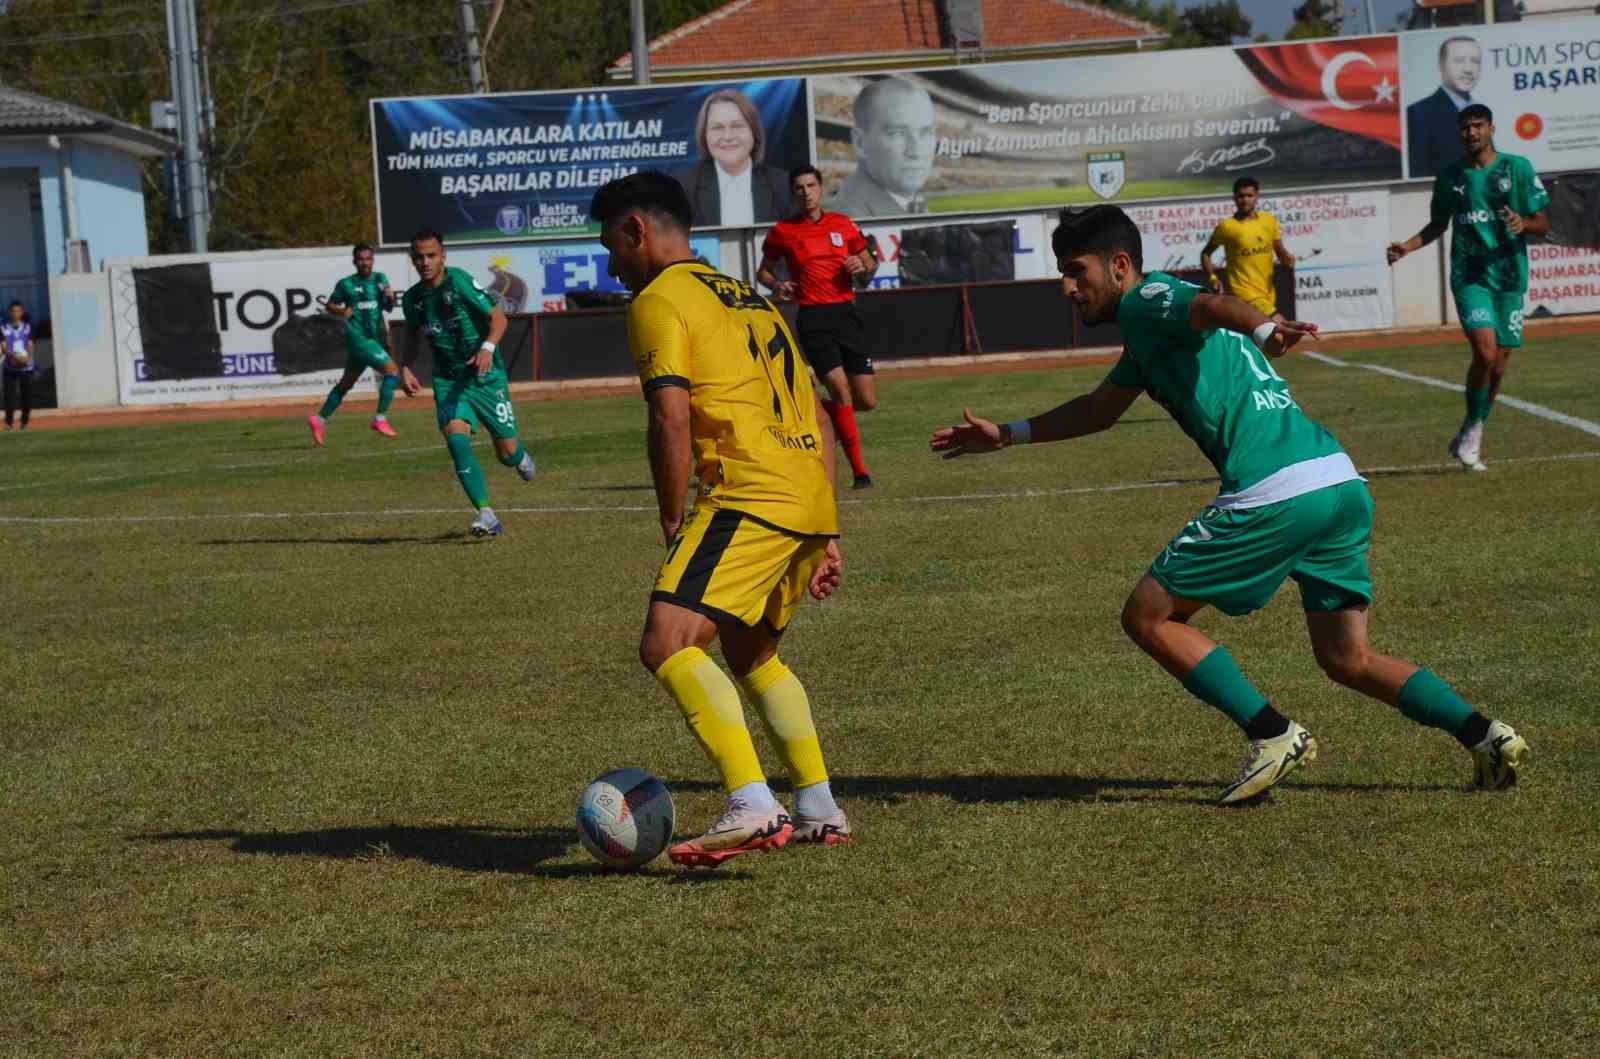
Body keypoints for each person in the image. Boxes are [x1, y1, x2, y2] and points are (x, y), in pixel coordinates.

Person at [931, 204, 1528, 803]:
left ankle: (1272, 733)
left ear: (1119, 266)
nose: (1068, 287)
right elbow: (1099, 410)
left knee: (1148, 615)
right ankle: (1486, 737)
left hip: (1276, 490)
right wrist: (1009, 433)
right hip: (1337, 482)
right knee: (1348, 657)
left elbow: (1209, 303)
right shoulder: (1146, 337)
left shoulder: (1147, 298)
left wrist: (1266, 327)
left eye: (1075, 271)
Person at [591, 170, 850, 866]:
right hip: (804, 492)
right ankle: (819, 803)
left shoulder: (659, 298)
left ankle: (752, 801)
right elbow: (821, 414)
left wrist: (674, 516)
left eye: (612, 245)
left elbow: (669, 412)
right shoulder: (755, 299)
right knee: (751, 651)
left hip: (748, 492)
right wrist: (825, 528)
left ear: (636, 230)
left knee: (667, 641)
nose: (613, 265)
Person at [1388, 103, 1549, 472]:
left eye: (1478, 126)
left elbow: (1542, 221)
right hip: (1470, 276)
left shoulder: (1517, 168)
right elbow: (1437, 225)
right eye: (1465, 127)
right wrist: (1406, 247)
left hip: (1509, 277)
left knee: (1500, 364)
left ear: (1492, 128)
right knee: (1487, 354)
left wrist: (1524, 223)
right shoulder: (1450, 177)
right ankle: (1472, 433)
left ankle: (1471, 429)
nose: (1471, 132)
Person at [398, 229, 535, 538]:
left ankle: (520, 457)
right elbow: (411, 338)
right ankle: (486, 513)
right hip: (448, 379)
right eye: (419, 257)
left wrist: (487, 348)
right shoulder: (413, 299)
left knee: (507, 455)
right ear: (413, 260)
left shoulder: (458, 281)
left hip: (486, 377)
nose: (425, 262)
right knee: (456, 440)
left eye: (431, 255)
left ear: (443, 256)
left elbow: (499, 318)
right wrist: (405, 368)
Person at [757, 165, 880, 489]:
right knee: (840, 389)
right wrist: (778, 285)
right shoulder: (783, 231)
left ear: (821, 189)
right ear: (793, 194)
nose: (806, 192)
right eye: (799, 188)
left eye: (811, 185)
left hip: (846, 314)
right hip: (813, 317)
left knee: (865, 401)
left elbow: (869, 263)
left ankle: (819, 413)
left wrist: (861, 264)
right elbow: (764, 273)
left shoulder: (843, 224)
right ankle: (860, 472)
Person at [307, 245, 404, 445]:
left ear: (373, 260)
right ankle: (380, 419)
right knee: (392, 372)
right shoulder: (346, 284)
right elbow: (330, 304)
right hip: (360, 339)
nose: (365, 262)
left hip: (373, 339)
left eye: (368, 259)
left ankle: (320, 419)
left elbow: (388, 306)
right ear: (355, 261)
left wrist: (390, 297)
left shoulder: (380, 279)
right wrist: (341, 311)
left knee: (346, 384)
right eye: (361, 259)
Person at [671, 89, 792, 228]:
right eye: (717, 128)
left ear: (754, 130)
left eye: (737, 126)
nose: (727, 136)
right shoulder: (681, 190)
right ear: (704, 135)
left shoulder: (786, 187)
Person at [828, 76, 936, 218]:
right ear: (861, 143)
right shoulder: (852, 218)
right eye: (897, 133)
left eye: (926, 132)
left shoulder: (904, 202)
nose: (916, 151)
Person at [1200, 177, 1294, 319]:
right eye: (1240, 196)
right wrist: (1213, 278)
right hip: (1243, 292)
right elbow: (1206, 253)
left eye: (1249, 195)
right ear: (1234, 198)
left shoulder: (1269, 220)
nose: (1245, 200)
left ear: (1257, 197)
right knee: (1279, 327)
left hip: (1267, 292)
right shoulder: (1227, 227)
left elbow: (1279, 249)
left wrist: (1287, 259)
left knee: (1262, 338)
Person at [1407, 36, 1482, 179]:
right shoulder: (1419, 113)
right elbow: (1418, 175)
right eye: (1459, 61)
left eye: (1475, 61)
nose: (1468, 69)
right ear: (1441, 65)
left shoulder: (1480, 114)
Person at [2, 301, 34, 431]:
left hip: (26, 368)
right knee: (9, 397)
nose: (16, 313)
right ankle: (9, 423)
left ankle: (24, 422)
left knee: (27, 397)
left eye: (18, 311)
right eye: (13, 311)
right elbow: (3, 347)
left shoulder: (28, 327)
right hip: (10, 366)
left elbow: (31, 345)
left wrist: (28, 359)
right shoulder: (4, 328)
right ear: (10, 313)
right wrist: (14, 357)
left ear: (22, 312)